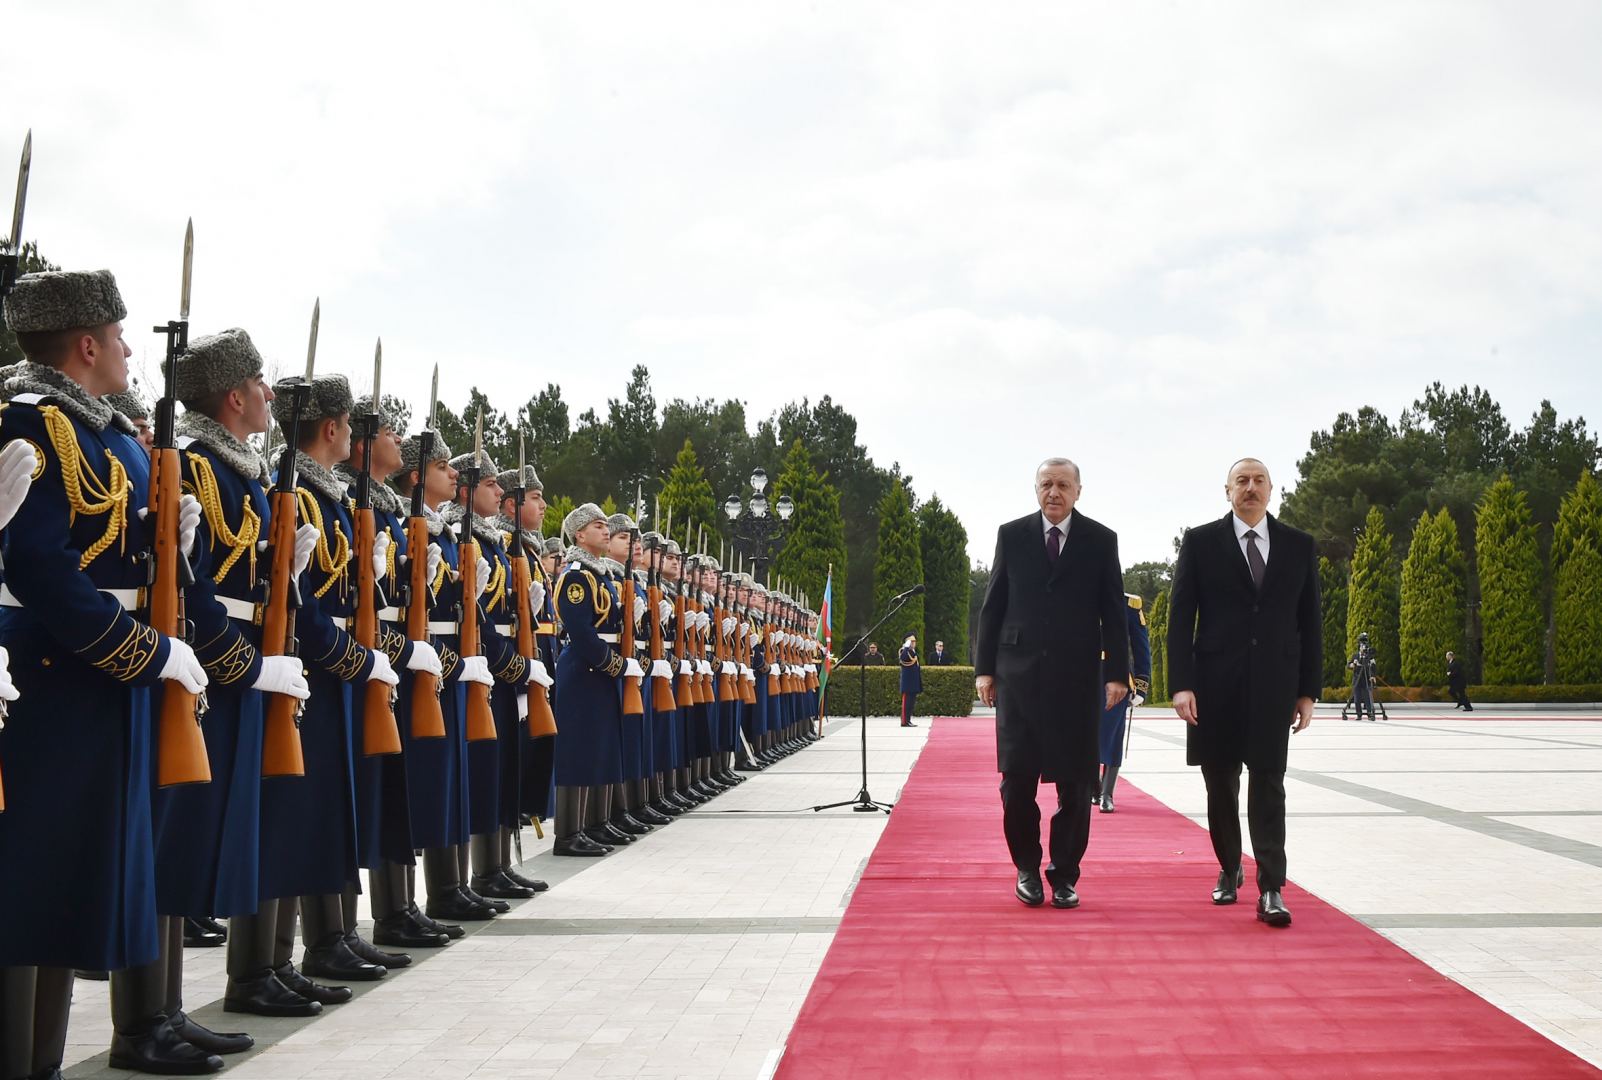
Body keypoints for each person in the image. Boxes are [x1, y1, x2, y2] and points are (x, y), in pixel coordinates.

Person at [0, 269, 212, 1077]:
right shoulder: (32, 424)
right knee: (34, 883)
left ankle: (43, 1060)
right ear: (86, 345)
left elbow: (117, 554)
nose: (129, 351)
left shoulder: (100, 432)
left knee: (68, 885)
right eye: (119, 338)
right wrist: (146, 653)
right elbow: (45, 572)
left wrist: (171, 547)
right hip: (53, 676)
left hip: (96, 679)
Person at [1168, 457, 1320, 929]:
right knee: (1220, 781)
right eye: (1242, 481)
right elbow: (1180, 616)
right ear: (1227, 490)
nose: (1250, 488)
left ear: (1271, 490)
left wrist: (1308, 690)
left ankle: (1271, 887)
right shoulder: (1200, 542)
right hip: (1214, 685)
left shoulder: (1298, 545)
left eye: (1258, 481)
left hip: (1275, 685)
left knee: (1269, 783)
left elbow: (1310, 621)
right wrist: (1180, 684)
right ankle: (1229, 864)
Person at [975, 457, 1128, 910]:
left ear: (1079, 490)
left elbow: (1113, 613)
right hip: (1017, 678)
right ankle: (1026, 867)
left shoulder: (1101, 540)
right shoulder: (1011, 535)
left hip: (1077, 680)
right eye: (1046, 484)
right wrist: (984, 669)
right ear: (1036, 489)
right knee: (1016, 782)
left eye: (1063, 485)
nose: (1054, 492)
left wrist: (1117, 674)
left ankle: (1064, 874)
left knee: (1077, 784)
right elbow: (993, 605)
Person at [1096, 594, 1152, 813]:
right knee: (1085, 735)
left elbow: (1140, 646)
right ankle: (1093, 786)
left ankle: (1106, 793)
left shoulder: (1128, 603)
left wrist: (1141, 684)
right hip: (1082, 679)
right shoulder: (1078, 595)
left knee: (1112, 735)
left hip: (1117, 679)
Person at [898, 634, 921, 727]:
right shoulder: (904, 651)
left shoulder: (912, 651)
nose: (914, 643)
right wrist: (906, 647)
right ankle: (905, 721)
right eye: (912, 641)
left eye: (914, 641)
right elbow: (903, 658)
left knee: (911, 703)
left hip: (913, 682)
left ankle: (908, 720)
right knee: (906, 703)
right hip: (907, 682)